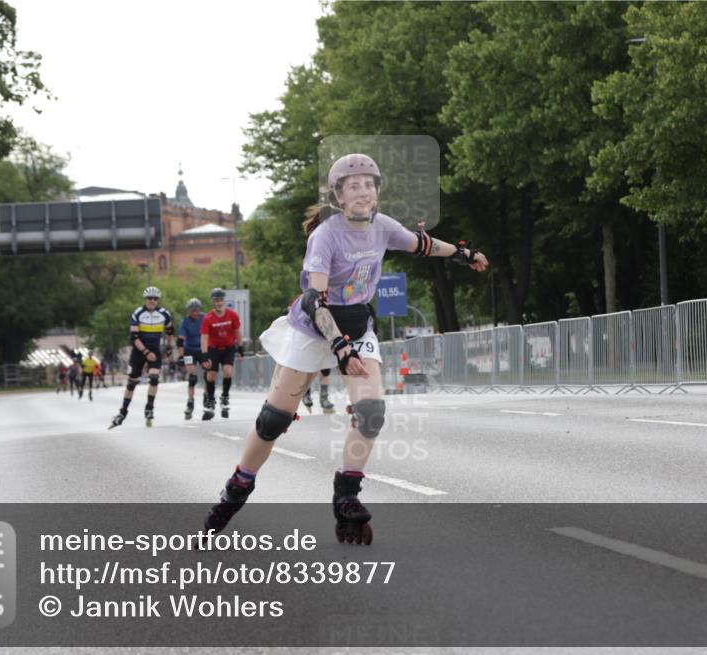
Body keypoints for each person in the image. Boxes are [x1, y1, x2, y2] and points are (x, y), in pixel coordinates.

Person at [203, 153, 488, 544]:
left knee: (371, 413)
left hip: (356, 324)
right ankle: (234, 491)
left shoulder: (383, 226)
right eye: (354, 186)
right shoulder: (326, 235)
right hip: (313, 330)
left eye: (369, 185)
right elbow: (313, 301)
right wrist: (339, 348)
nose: (363, 192)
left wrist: (463, 254)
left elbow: (422, 245)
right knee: (273, 421)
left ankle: (346, 496)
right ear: (338, 195)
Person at [109, 286, 174, 429]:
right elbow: (134, 338)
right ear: (145, 299)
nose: (152, 301)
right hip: (139, 350)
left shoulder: (164, 314)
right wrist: (145, 352)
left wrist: (169, 349)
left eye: (155, 298)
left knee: (155, 378)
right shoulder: (138, 313)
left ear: (158, 300)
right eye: (149, 298)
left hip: (155, 349)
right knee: (132, 383)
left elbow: (170, 331)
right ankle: (122, 412)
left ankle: (149, 408)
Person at [200, 287, 243, 420]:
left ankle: (224, 397)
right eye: (216, 300)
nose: (219, 303)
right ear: (213, 301)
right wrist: (204, 354)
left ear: (224, 301)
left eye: (221, 300)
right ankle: (211, 399)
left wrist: (241, 348)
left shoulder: (232, 315)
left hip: (228, 347)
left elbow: (237, 332)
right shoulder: (208, 318)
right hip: (213, 348)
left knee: (228, 372)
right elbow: (204, 337)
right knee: (211, 375)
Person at [176, 297, 206, 420]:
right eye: (192, 310)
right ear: (188, 311)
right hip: (189, 350)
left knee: (207, 376)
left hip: (202, 349)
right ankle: (190, 403)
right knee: (192, 377)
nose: (195, 313)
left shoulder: (204, 318)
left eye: (197, 310)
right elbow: (180, 341)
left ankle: (207, 400)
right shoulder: (185, 322)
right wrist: (181, 356)